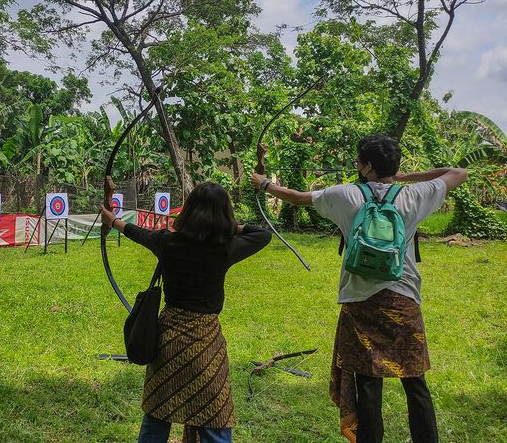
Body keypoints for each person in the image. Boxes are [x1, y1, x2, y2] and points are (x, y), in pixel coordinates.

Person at [250, 134, 468, 443]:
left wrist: (263, 184)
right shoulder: (415, 195)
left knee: (368, 385)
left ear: (366, 166)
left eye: (359, 162)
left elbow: (297, 197)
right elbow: (459, 173)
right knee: (415, 383)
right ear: (394, 165)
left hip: (360, 302)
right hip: (403, 301)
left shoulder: (347, 195)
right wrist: (404, 177)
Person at [100, 182, 272, 443]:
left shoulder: (167, 241)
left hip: (168, 338)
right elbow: (263, 234)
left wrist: (113, 221)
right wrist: (227, 227)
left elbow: (136, 232)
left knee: (158, 413)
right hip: (206, 341)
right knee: (215, 414)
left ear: (189, 210)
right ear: (224, 214)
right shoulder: (224, 248)